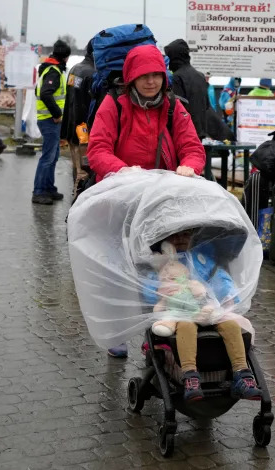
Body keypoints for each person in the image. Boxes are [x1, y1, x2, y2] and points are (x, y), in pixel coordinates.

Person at [88, 44, 206, 357]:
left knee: (156, 269)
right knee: (115, 269)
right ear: (131, 78)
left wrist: (189, 168)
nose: (151, 81)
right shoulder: (115, 104)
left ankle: (154, 333)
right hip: (121, 200)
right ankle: (116, 331)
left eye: (156, 75)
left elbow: (193, 148)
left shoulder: (173, 107)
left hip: (160, 204)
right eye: (144, 76)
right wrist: (123, 171)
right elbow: (98, 149)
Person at [145, 230, 262, 402]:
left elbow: (218, 276)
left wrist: (227, 295)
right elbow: (150, 285)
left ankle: (242, 373)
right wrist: (163, 293)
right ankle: (190, 376)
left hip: (206, 307)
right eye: (175, 235)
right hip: (179, 314)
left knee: (231, 325)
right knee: (186, 326)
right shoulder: (162, 263)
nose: (180, 239)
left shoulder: (201, 258)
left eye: (185, 235)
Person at [32, 39, 71, 205]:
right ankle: (39, 191)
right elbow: (46, 94)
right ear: (65, 57)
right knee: (48, 157)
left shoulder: (50, 69)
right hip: (49, 119)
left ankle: (48, 188)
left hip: (49, 119)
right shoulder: (53, 72)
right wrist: (56, 114)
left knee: (53, 155)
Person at [61, 39, 95, 199]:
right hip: (85, 134)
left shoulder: (75, 69)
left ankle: (76, 199)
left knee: (77, 171)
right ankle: (79, 203)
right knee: (84, 175)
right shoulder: (92, 73)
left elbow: (70, 101)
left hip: (72, 128)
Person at [164, 39, 210, 139]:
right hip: (200, 130)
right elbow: (207, 105)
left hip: (184, 131)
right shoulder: (200, 76)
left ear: (174, 57)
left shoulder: (177, 77)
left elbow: (176, 107)